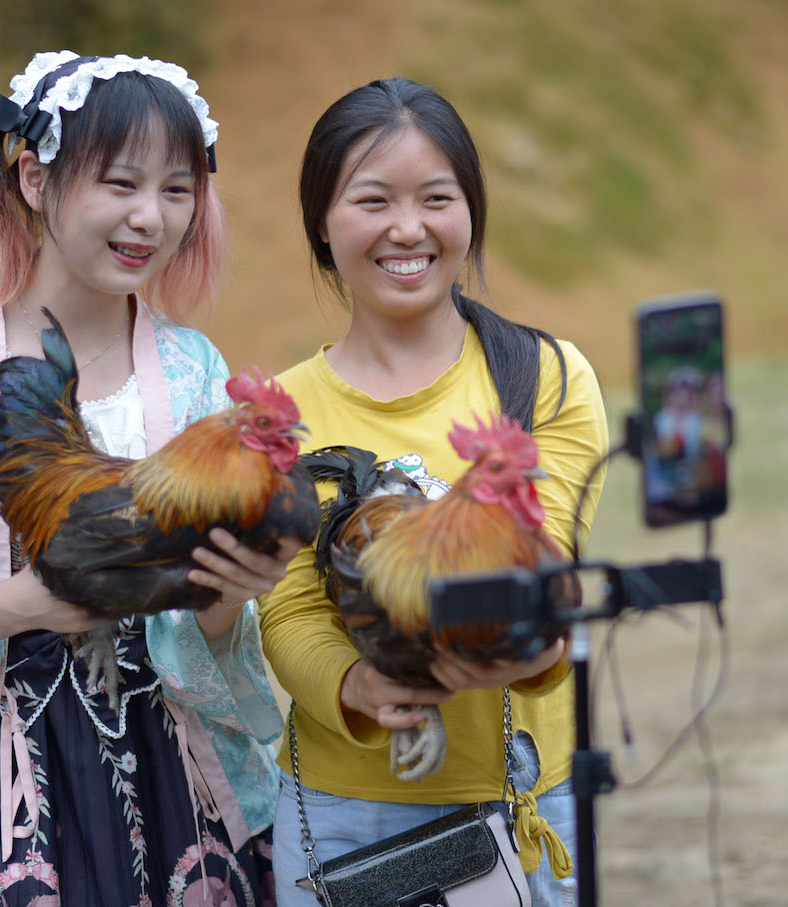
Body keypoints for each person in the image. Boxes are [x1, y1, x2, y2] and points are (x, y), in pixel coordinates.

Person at [0, 51, 295, 906]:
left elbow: (210, 624)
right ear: (35, 178)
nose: (150, 217)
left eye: (177, 188)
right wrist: (34, 602)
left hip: (173, 763)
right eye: (120, 183)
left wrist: (230, 594)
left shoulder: (196, 371)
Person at [258, 78, 610, 906]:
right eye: (372, 200)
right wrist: (359, 686)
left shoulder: (549, 378)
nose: (407, 229)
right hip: (349, 814)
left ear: (472, 211)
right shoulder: (282, 412)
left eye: (436, 198)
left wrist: (534, 644)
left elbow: (549, 555)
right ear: (322, 220)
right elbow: (290, 609)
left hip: (528, 798)